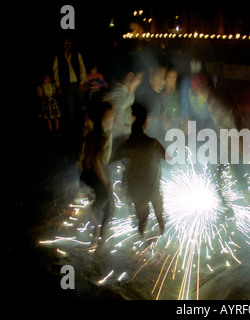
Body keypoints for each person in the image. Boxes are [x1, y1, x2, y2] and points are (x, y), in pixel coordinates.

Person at [191, 73, 250, 207]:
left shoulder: (215, 102)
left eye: (197, 90)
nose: (197, 94)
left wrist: (239, 144)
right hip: (230, 142)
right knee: (229, 170)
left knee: (224, 170)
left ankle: (227, 200)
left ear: (204, 87)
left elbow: (230, 123)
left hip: (233, 142)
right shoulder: (213, 100)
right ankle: (238, 198)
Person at [110, 104, 167, 235]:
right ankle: (161, 232)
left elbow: (112, 159)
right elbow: (168, 158)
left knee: (143, 216)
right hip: (152, 187)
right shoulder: (152, 143)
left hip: (135, 189)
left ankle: (141, 235)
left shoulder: (127, 144)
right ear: (144, 123)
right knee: (159, 214)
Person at [80, 100, 115, 248]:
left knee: (110, 208)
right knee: (103, 207)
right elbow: (94, 159)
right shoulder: (99, 136)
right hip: (95, 177)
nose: (112, 119)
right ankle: (97, 236)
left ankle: (100, 236)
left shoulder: (97, 134)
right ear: (103, 118)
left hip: (93, 175)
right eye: (110, 116)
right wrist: (105, 181)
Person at [53, 37, 87, 137]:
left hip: (77, 84)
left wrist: (82, 82)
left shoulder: (76, 54)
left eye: (68, 43)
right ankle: (76, 132)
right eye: (65, 43)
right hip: (66, 85)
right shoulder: (58, 57)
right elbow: (56, 72)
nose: (67, 45)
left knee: (81, 106)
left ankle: (83, 128)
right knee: (70, 108)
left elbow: (82, 68)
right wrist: (58, 85)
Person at [161, 67, 183, 133]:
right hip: (166, 120)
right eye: (169, 76)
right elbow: (162, 107)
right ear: (166, 77)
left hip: (178, 119)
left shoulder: (179, 90)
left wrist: (182, 118)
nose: (172, 79)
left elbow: (183, 104)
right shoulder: (162, 91)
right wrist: (164, 121)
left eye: (174, 76)